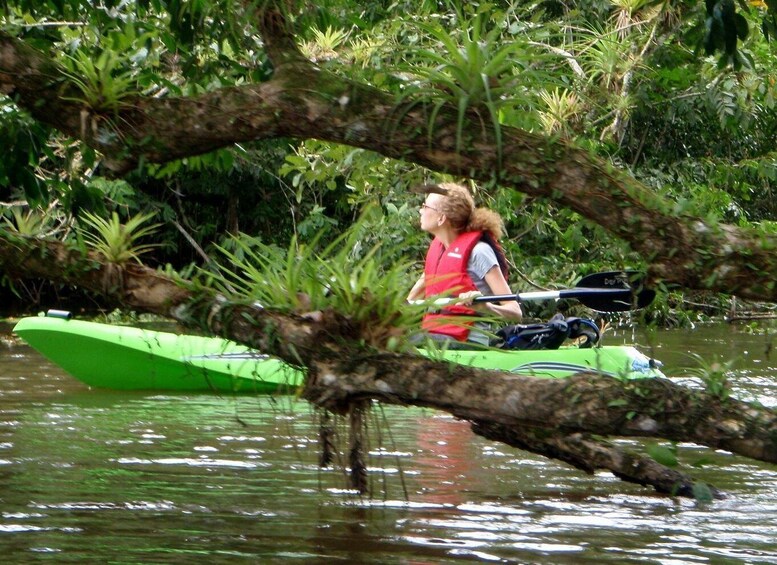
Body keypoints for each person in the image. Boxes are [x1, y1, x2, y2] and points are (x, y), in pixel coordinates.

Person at [407, 182, 522, 348]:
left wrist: (486, 306)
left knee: (403, 343)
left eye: (425, 206)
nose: (420, 210)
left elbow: (515, 312)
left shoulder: (479, 252)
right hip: (434, 336)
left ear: (441, 218)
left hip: (468, 341)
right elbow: (408, 303)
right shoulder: (438, 251)